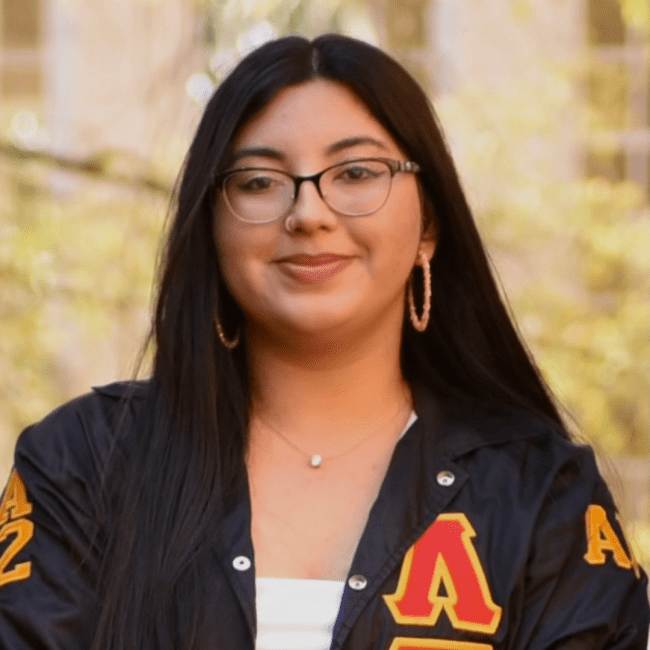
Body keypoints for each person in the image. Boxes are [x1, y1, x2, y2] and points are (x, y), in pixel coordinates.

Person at [0, 33, 647, 650]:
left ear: (429, 226)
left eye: (357, 173)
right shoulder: (81, 466)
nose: (308, 213)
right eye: (258, 181)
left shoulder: (541, 494)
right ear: (211, 230)